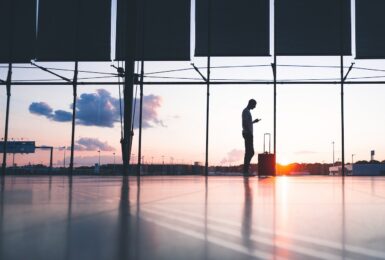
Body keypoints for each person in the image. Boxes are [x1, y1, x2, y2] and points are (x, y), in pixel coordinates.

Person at [242, 99, 261, 175]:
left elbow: (247, 122)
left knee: (250, 152)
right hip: (248, 133)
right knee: (249, 152)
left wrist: (254, 122)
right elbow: (244, 123)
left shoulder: (247, 111)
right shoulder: (246, 111)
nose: (255, 107)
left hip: (248, 133)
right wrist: (248, 131)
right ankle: (245, 170)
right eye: (254, 105)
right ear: (251, 104)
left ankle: (246, 170)